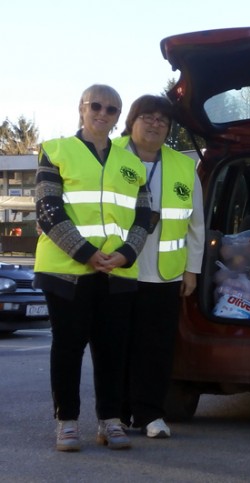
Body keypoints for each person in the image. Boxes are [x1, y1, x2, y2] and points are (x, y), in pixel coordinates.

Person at [34, 84, 150, 452]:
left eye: (112, 109)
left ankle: (110, 421)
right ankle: (66, 423)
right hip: (66, 272)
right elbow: (48, 210)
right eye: (96, 106)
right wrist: (85, 253)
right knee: (68, 348)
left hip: (117, 273)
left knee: (112, 350)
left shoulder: (132, 164)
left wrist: (127, 254)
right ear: (81, 108)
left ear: (119, 118)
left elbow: (145, 216)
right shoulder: (56, 151)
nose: (103, 113)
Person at [114, 95, 205, 439]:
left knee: (156, 349)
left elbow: (197, 224)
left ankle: (151, 414)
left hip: (164, 274)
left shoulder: (183, 166)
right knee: (117, 345)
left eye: (162, 120)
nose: (155, 124)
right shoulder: (108, 157)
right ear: (132, 121)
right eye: (147, 117)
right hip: (117, 270)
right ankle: (118, 414)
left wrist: (192, 270)